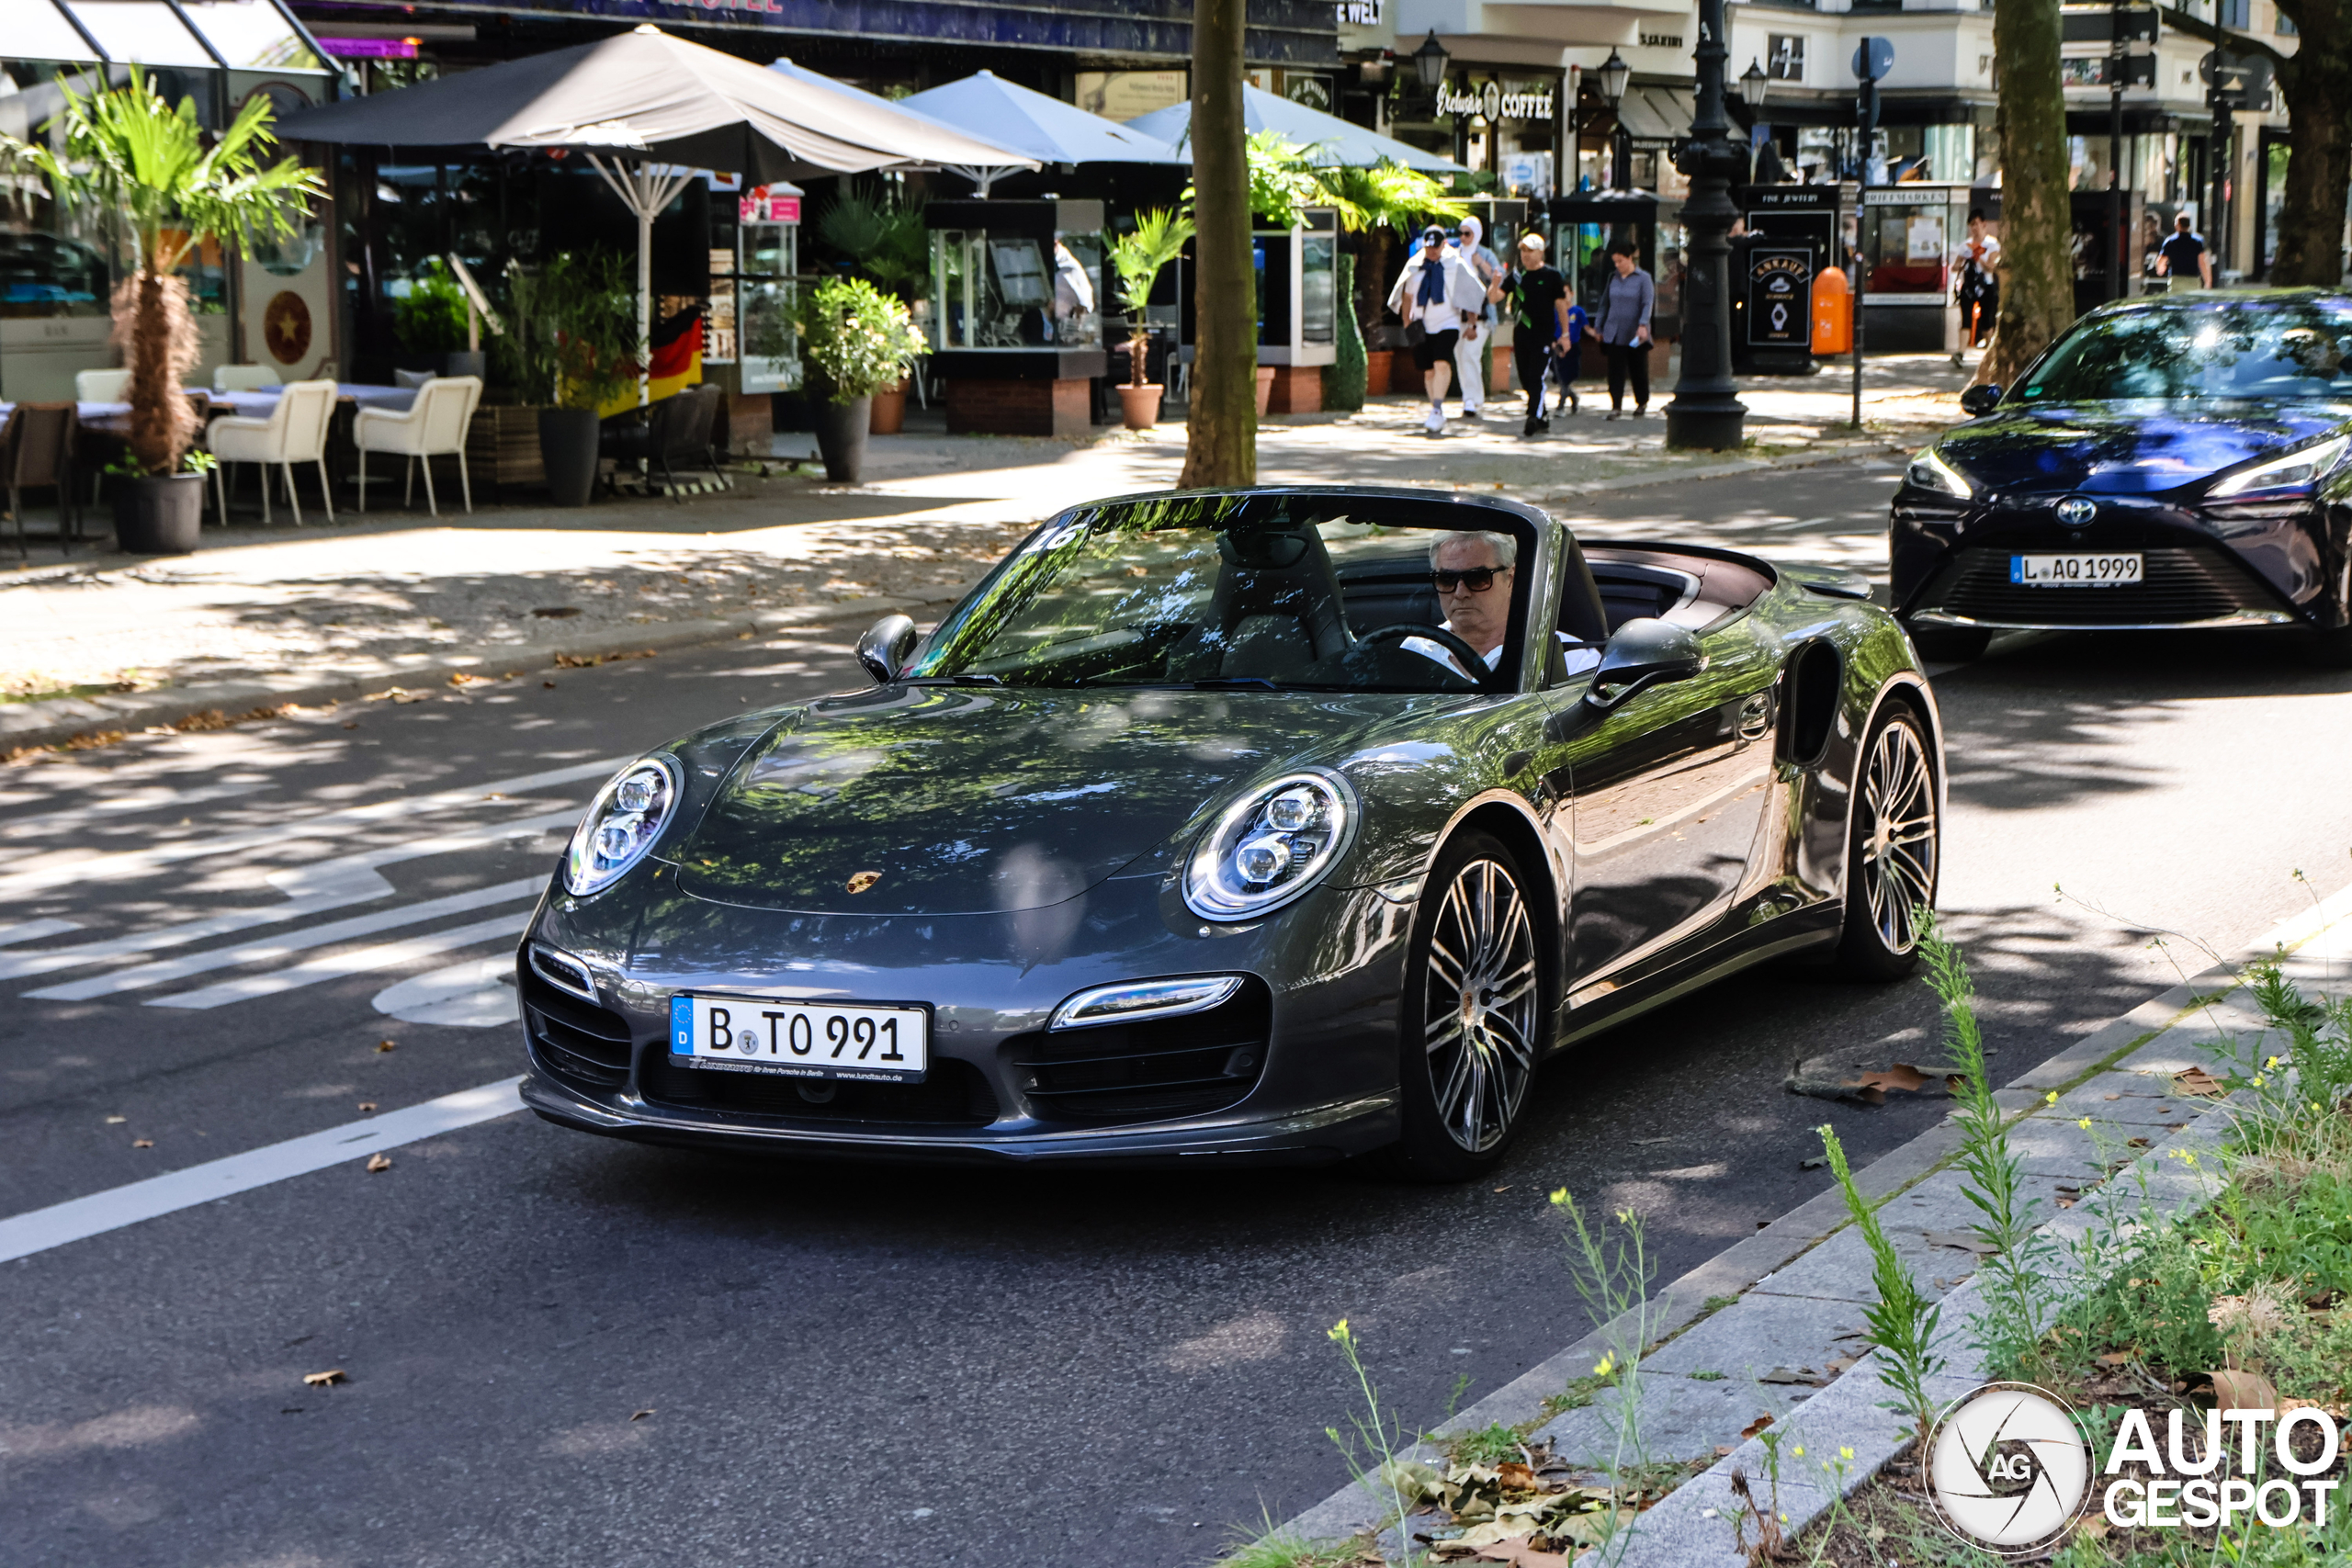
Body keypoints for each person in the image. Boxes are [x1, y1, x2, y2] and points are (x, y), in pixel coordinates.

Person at [1402, 530, 1603, 680]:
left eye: (1477, 578)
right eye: (1446, 579)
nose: (1460, 592)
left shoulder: (1571, 659)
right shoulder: (1413, 652)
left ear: (1511, 579)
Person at [1388, 224, 1487, 435]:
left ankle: (1437, 407)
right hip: (1422, 324)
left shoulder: (1454, 264)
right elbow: (1407, 296)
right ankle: (1436, 411)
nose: (1432, 251)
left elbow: (1471, 293)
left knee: (1441, 363)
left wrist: (1472, 324)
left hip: (1448, 323)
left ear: (1444, 245)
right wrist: (1407, 323)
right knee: (1429, 371)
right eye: (1428, 247)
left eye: (1436, 247)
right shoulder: (1415, 266)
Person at [1490, 231, 1576, 436]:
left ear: (1540, 252)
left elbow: (1562, 306)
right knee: (1526, 378)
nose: (1525, 255)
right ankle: (1542, 414)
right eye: (1523, 251)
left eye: (1530, 250)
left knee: (1536, 375)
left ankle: (1532, 417)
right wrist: (1494, 283)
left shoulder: (1552, 276)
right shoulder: (1517, 277)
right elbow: (1494, 298)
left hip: (1544, 335)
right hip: (1521, 335)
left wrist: (1565, 334)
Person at [1452, 216, 1503, 422]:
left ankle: (1472, 399)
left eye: (1468, 234)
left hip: (1482, 316)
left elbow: (1500, 278)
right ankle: (1469, 397)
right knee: (1460, 356)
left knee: (1470, 355)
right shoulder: (1454, 255)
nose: (1463, 238)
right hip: (1458, 315)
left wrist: (1481, 264)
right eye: (1461, 233)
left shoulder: (1485, 254)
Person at [1596, 243, 1654, 419]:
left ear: (1629, 258)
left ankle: (1641, 402)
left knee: (1638, 369)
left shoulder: (1643, 278)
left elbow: (1647, 303)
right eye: (1615, 262)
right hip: (1614, 331)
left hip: (1635, 332)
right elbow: (1605, 303)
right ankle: (1616, 406)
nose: (1617, 265)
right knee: (1615, 370)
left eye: (1620, 261)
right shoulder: (1612, 278)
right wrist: (1599, 326)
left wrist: (1643, 324)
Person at [1954, 211, 1999, 347]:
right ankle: (1960, 353)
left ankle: (1990, 351)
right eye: (1971, 225)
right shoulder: (1965, 246)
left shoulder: (1992, 244)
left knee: (1987, 320)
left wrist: (1978, 257)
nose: (1974, 228)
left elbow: (1992, 266)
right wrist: (1963, 263)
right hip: (1969, 286)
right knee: (1966, 320)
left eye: (1977, 224)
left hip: (1986, 285)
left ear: (1984, 224)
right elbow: (1955, 266)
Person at [2156, 212, 2214, 290]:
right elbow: (2203, 262)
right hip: (2193, 280)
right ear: (2189, 225)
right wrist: (2207, 281)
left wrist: (2160, 269)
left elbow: (2162, 260)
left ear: (2177, 225)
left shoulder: (2170, 241)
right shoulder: (2198, 242)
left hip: (2176, 279)